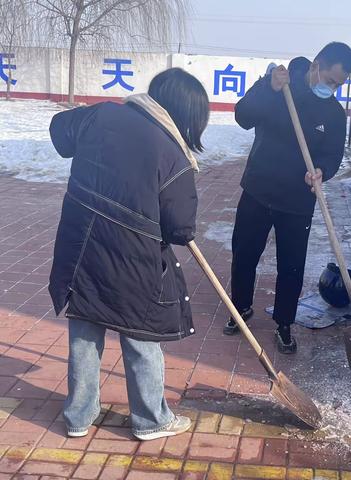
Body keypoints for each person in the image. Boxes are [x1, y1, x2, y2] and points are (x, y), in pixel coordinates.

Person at [48, 68, 209, 440]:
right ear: (186, 114)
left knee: (86, 325)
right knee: (140, 333)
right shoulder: (173, 154)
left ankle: (78, 417)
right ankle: (151, 419)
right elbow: (181, 229)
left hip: (81, 248)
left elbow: (60, 133)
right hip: (131, 262)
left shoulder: (101, 114)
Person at [225, 42, 351, 354]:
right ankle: (240, 309)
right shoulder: (277, 87)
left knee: (292, 266)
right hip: (258, 188)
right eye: (330, 80)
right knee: (244, 254)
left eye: (339, 84)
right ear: (315, 67)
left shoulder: (334, 114)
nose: (333, 88)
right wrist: (267, 89)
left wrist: (322, 170)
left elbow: (333, 154)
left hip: (298, 200)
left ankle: (284, 323)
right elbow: (242, 115)